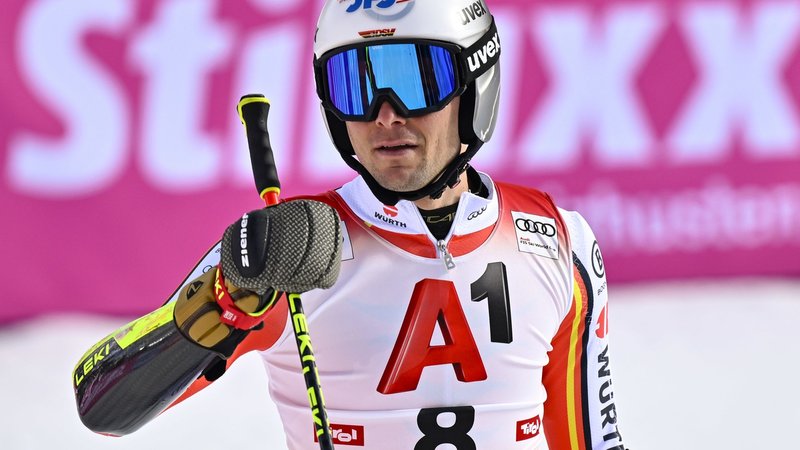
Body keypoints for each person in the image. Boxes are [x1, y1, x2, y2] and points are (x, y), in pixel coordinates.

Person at [72, 1, 628, 448]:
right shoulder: (289, 246)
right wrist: (227, 301)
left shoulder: (559, 241)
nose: (385, 114)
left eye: (417, 78)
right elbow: (99, 403)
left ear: (474, 84)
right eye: (355, 84)